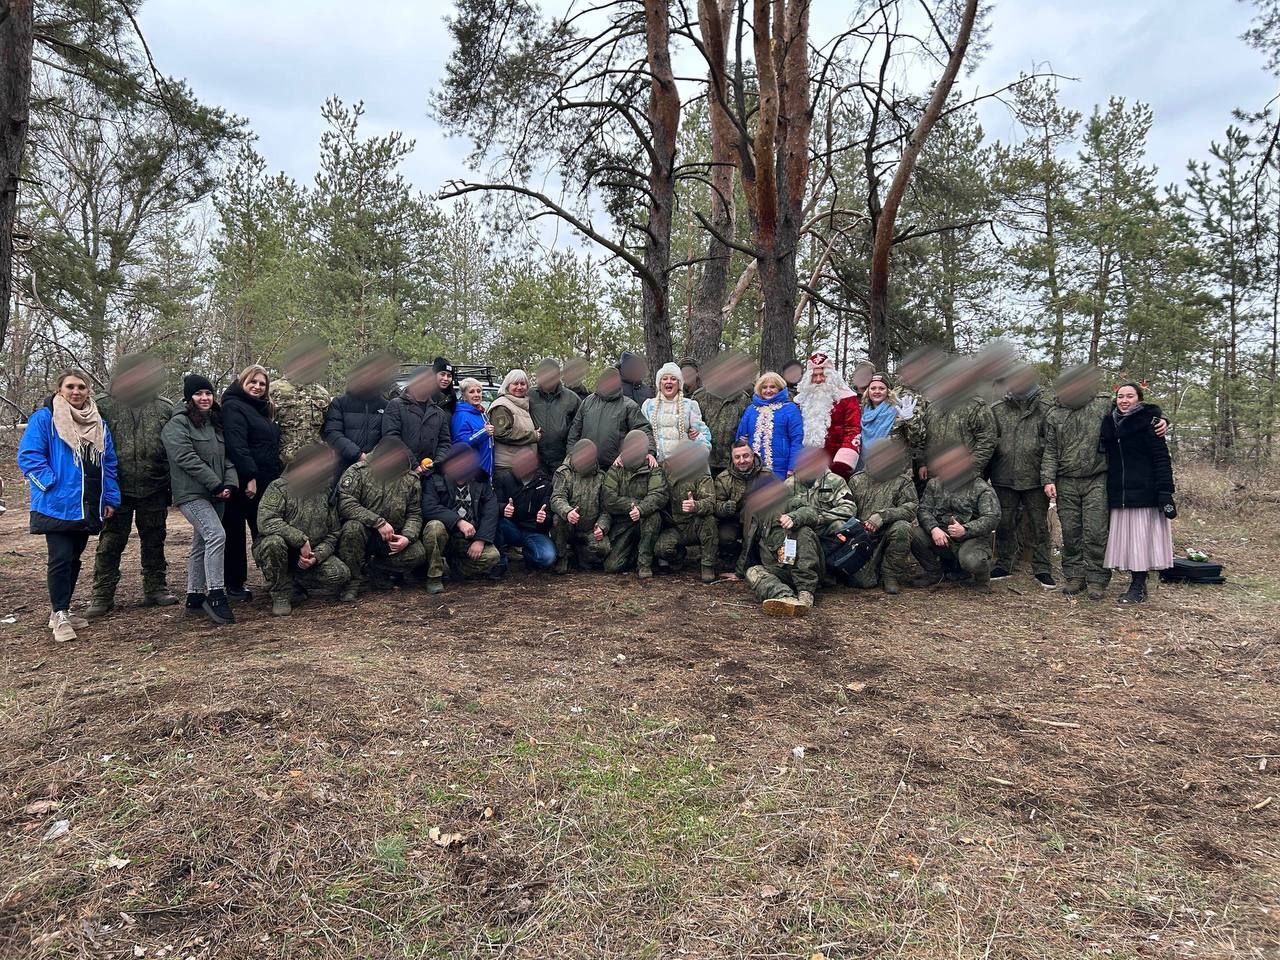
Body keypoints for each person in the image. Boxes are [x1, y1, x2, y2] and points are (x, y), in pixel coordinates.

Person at [1041, 366, 1166, 600]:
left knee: (1096, 531)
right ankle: (1075, 576)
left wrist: (1161, 418)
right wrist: (1048, 478)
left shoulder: (1102, 404)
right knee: (1071, 531)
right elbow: (1049, 449)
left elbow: (1134, 409)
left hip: (1097, 478)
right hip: (1065, 480)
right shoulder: (1054, 413)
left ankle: (1097, 578)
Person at [18, 369, 121, 642]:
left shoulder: (98, 423)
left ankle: (61, 609)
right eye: (70, 387)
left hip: (87, 503)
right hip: (56, 503)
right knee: (60, 557)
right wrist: (51, 484)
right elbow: (29, 457)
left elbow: (108, 464)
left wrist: (110, 497)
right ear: (59, 390)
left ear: (88, 391)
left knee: (74, 558)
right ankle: (60, 613)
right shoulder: (45, 419)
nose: (76, 392)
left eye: (82, 387)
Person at [87, 354, 175, 618]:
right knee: (111, 542)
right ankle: (102, 594)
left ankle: (156, 587)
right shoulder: (103, 405)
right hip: (116, 488)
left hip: (155, 484)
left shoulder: (164, 407)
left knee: (155, 538)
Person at [161, 374, 239, 625]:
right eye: (199, 394)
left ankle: (194, 596)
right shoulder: (178, 424)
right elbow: (185, 457)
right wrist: (214, 483)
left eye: (208, 393)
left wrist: (228, 483)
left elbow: (227, 457)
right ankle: (216, 593)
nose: (204, 398)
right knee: (216, 535)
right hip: (192, 494)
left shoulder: (215, 422)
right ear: (189, 397)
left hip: (217, 493)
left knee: (202, 542)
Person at [253, 443, 352, 616]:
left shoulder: (326, 490)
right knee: (273, 543)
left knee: (339, 574)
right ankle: (280, 593)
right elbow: (266, 521)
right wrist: (300, 539)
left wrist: (317, 556)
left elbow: (334, 533)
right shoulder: (279, 487)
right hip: (280, 550)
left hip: (309, 554)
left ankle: (294, 581)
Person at [1100, 383, 1175, 604]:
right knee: (1127, 540)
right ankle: (1135, 582)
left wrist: (1165, 491)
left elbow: (1162, 459)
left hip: (1145, 490)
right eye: (1120, 396)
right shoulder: (1109, 423)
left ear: (1139, 399)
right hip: (1120, 491)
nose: (1124, 400)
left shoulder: (1150, 422)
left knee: (1141, 540)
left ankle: (1139, 586)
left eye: (1130, 396)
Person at [336, 437, 427, 598]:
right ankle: (353, 581)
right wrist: (378, 522)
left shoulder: (410, 479)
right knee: (351, 529)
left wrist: (407, 537)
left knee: (418, 553)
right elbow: (346, 503)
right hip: (365, 533)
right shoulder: (358, 472)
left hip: (392, 537)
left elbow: (414, 513)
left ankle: (376, 569)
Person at [220, 364, 282, 603]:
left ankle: (273, 576)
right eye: (252, 382)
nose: (257, 387)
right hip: (245, 482)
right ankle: (234, 584)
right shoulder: (233, 406)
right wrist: (249, 477)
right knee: (235, 533)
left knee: (264, 529)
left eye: (262, 384)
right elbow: (237, 445)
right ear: (242, 382)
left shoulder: (262, 409)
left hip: (267, 479)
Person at [989, 365, 1055, 588]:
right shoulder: (997, 409)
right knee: (1005, 522)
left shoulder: (1046, 408)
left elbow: (1052, 446)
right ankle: (1004, 563)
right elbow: (989, 443)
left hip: (1035, 478)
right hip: (1003, 476)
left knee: (1038, 525)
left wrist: (1048, 477)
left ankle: (1042, 568)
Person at [910, 444, 1001, 593]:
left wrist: (966, 529)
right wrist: (933, 529)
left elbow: (992, 518)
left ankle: (982, 580)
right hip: (943, 536)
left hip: (971, 539)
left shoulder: (981, 488)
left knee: (972, 560)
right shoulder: (935, 484)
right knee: (913, 535)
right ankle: (934, 572)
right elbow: (923, 509)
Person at [736, 475, 822, 616]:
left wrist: (793, 518)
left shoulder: (790, 502)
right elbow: (748, 547)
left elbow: (811, 513)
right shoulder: (757, 516)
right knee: (753, 571)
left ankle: (805, 594)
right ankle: (785, 597)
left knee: (804, 532)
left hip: (803, 569)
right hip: (780, 570)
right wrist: (738, 572)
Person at [421, 445, 502, 591]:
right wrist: (458, 522)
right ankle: (434, 577)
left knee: (492, 556)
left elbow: (491, 511)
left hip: (469, 539)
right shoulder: (435, 478)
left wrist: (481, 540)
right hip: (445, 535)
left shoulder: (481, 480)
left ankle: (456, 569)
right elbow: (429, 507)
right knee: (434, 527)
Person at [905, 358, 998, 484]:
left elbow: (987, 442)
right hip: (933, 476)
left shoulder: (977, 407)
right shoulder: (933, 407)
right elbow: (923, 438)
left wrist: (972, 469)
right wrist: (922, 463)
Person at [846, 438, 919, 595]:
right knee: (864, 582)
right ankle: (871, 568)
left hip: (887, 533)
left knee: (902, 528)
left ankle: (890, 575)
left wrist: (883, 516)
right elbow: (847, 509)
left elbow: (911, 508)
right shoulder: (857, 480)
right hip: (862, 536)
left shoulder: (902, 481)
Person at [601, 429, 666, 578]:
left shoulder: (653, 468)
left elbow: (659, 495)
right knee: (612, 566)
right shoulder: (616, 468)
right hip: (623, 522)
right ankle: (636, 553)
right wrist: (633, 505)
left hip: (645, 518)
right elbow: (609, 499)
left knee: (653, 517)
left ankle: (645, 563)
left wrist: (641, 509)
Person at [654, 441, 718, 583]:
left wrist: (695, 505)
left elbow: (710, 501)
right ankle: (678, 556)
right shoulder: (665, 467)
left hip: (694, 524)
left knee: (709, 521)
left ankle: (707, 565)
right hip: (673, 526)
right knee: (661, 549)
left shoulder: (701, 472)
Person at [566, 368, 655, 469]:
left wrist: (649, 451)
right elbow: (574, 432)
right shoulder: (587, 402)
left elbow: (643, 430)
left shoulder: (629, 406)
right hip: (587, 468)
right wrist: (571, 454)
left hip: (616, 468)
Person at [323, 352, 395, 475]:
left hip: (375, 468)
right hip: (344, 467)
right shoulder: (340, 403)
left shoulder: (386, 405)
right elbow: (332, 433)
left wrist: (374, 457)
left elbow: (390, 435)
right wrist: (358, 455)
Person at [795, 352, 863, 477]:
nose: (819, 379)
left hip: (836, 462)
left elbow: (853, 429)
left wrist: (843, 461)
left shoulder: (847, 398)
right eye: (815, 376)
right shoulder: (801, 400)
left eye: (823, 375)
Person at [549, 439, 612, 574]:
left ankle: (582, 555)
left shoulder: (601, 477)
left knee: (603, 549)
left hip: (589, 529)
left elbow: (606, 510)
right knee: (558, 519)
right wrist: (568, 511)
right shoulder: (564, 473)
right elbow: (556, 498)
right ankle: (562, 557)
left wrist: (602, 526)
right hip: (568, 526)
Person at [494, 446, 556, 572]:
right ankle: (500, 562)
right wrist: (503, 508)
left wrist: (543, 519)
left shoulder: (545, 483)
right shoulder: (504, 479)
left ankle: (529, 555)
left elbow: (549, 518)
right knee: (496, 523)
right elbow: (492, 505)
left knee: (547, 558)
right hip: (511, 527)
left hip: (534, 531)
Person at [273, 339, 332, 468]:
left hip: (314, 464)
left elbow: (328, 429)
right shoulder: (273, 389)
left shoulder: (322, 394)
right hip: (280, 462)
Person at [693, 351, 754, 474]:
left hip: (733, 461)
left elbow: (749, 426)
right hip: (705, 460)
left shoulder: (743, 398)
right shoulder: (700, 397)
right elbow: (692, 423)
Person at [736, 372, 804, 479]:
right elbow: (741, 437)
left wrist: (792, 467)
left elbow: (797, 440)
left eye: (773, 387)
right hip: (753, 468)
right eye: (764, 387)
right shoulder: (751, 409)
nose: (768, 391)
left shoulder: (790, 408)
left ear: (780, 388)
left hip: (781, 468)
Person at [383, 364, 452, 469]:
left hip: (430, 475)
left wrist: (436, 463)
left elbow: (445, 442)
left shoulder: (438, 413)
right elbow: (391, 438)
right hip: (403, 473)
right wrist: (414, 465)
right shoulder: (396, 405)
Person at [785, 445, 858, 539]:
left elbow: (849, 507)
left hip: (826, 527)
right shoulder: (789, 485)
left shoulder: (835, 481)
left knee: (840, 525)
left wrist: (820, 518)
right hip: (800, 530)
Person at [641, 362, 709, 460]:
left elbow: (703, 434)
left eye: (673, 379)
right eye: (664, 379)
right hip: (654, 464)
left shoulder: (690, 405)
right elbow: (642, 432)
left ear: (679, 384)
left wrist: (697, 437)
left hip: (683, 464)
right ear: (660, 384)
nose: (669, 381)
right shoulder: (648, 405)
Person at [713, 438, 763, 563]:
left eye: (746, 456)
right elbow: (715, 505)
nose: (742, 461)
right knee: (723, 536)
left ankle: (758, 557)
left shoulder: (766, 475)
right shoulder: (723, 479)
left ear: (753, 456)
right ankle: (736, 558)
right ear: (732, 459)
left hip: (760, 522)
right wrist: (725, 507)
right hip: (734, 521)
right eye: (737, 457)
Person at [529, 358, 580, 475]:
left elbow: (579, 427)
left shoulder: (572, 398)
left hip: (561, 458)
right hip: (536, 459)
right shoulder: (529, 395)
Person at [488, 369, 541, 474]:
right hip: (507, 466)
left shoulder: (522, 405)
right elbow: (501, 433)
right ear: (507, 386)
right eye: (515, 384)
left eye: (523, 384)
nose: (519, 387)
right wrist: (533, 436)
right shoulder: (502, 406)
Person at [451, 377, 495, 477]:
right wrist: (483, 433)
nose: (476, 395)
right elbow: (459, 444)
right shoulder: (461, 415)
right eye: (471, 392)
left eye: (479, 391)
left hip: (487, 471)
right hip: (472, 473)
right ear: (464, 396)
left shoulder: (482, 414)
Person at [859, 373, 905, 456]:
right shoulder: (862, 412)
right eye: (873, 388)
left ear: (888, 391)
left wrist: (909, 420)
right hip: (866, 464)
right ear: (868, 391)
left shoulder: (897, 410)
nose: (877, 391)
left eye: (881, 388)